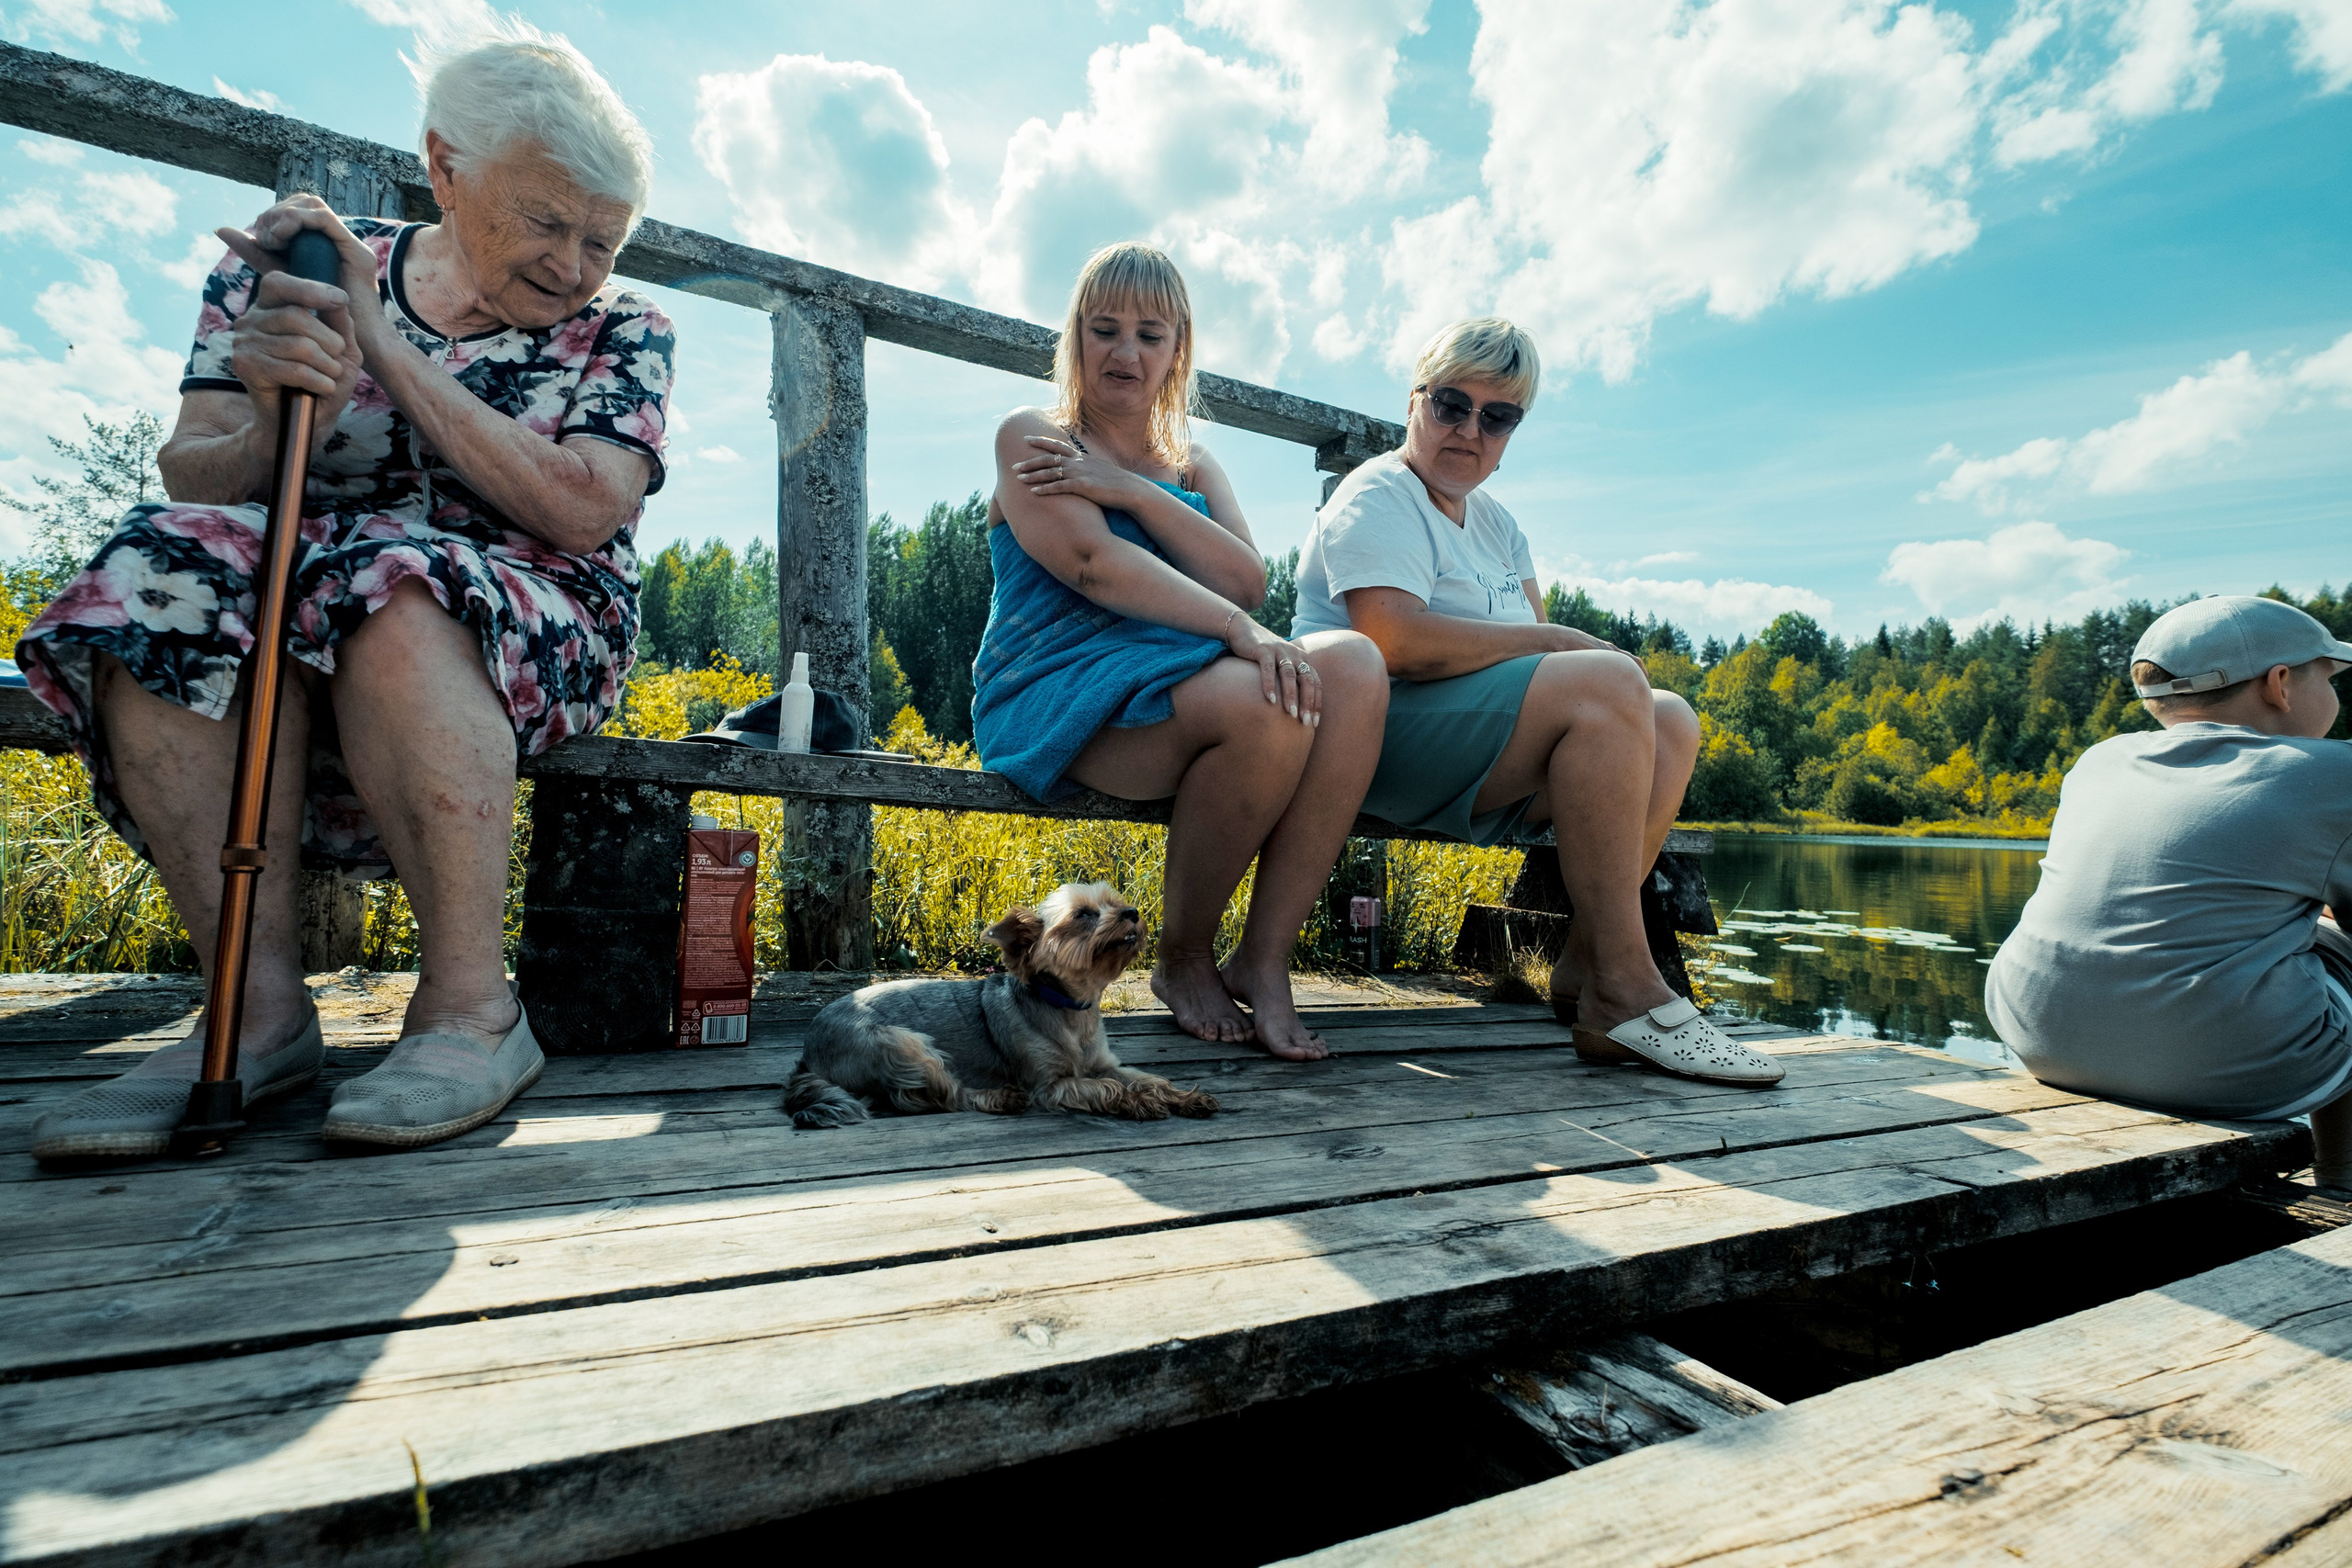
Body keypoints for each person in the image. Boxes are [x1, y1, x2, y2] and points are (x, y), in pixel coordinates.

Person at [19, 23, 672, 1158]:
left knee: (394, 585)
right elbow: (198, 473)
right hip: (297, 594)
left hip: (538, 605)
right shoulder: (289, 274)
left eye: (602, 241)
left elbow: (580, 508)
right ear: (446, 166)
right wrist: (276, 403)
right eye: (547, 222)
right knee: (155, 574)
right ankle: (255, 1011)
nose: (575, 266)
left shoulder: (623, 329)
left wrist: (378, 344)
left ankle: (473, 1007)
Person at [1291, 318, 1781, 1087]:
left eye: (1498, 416)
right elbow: (1391, 640)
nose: (1470, 430)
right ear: (1415, 401)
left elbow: (1533, 662)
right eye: (1451, 404)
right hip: (1373, 739)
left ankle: (1588, 969)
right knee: (1610, 680)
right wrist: (1555, 641)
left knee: (1671, 717)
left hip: (1474, 751)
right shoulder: (1379, 493)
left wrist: (1558, 649)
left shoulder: (1498, 525)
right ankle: (1631, 983)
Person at [973, 243, 1388, 1062]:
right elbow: (1091, 564)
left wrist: (1131, 489)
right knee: (1270, 701)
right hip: (1059, 687)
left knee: (1353, 666)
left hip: (1180, 678)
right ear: (1076, 339)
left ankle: (1264, 959)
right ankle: (1185, 955)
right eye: (1104, 329)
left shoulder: (1192, 463)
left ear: (1178, 349)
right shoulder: (1035, 436)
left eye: (1150, 334)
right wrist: (1236, 633)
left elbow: (1245, 578)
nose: (1126, 353)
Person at [1987, 595, 2352, 1188]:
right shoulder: (2335, 774)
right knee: (2329, 945)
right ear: (2281, 684)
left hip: (2038, 1039)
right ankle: (2340, 1181)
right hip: (2230, 1068)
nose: (2337, 694)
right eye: (2330, 676)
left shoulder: (2099, 762)